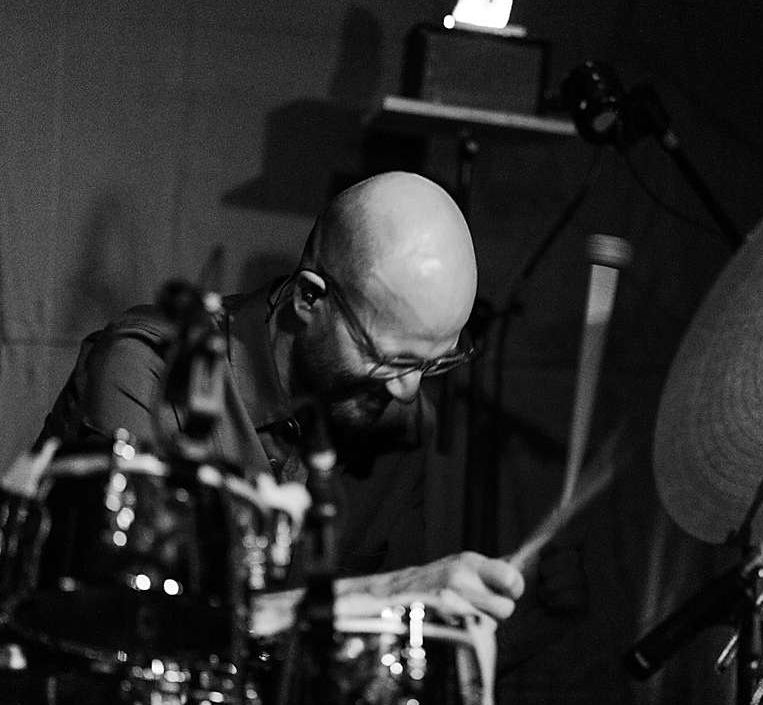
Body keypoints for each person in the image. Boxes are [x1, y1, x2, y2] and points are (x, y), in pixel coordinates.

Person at [39, 170, 524, 620]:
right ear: (309, 298)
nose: (408, 389)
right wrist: (388, 593)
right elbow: (126, 616)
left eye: (434, 363)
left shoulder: (404, 426)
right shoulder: (153, 367)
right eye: (391, 358)